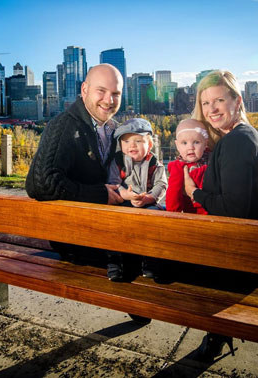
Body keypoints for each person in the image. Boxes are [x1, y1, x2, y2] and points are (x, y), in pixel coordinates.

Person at [183, 70, 258, 362]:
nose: (212, 109)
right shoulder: (244, 137)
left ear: (237, 101)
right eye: (205, 103)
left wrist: (194, 193)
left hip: (245, 259)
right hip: (257, 248)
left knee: (158, 262)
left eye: (219, 100)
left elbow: (233, 210)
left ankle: (215, 329)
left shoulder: (236, 143)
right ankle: (217, 333)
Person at [25, 63, 125, 263]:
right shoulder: (64, 126)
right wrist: (100, 194)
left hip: (109, 232)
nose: (109, 100)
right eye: (101, 91)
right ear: (85, 90)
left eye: (116, 93)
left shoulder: (116, 130)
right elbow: (40, 184)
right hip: (79, 240)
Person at [106, 117, 167, 281]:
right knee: (113, 222)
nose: (132, 145)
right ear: (120, 145)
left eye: (138, 141)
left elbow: (161, 184)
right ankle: (115, 263)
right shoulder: (118, 161)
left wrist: (148, 197)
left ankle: (151, 262)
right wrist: (125, 194)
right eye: (126, 142)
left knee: (155, 221)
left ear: (150, 144)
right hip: (124, 200)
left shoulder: (154, 162)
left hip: (148, 203)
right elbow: (113, 182)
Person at [165, 118, 209, 214]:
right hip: (193, 213)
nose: (190, 147)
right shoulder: (178, 167)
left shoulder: (210, 160)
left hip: (214, 210)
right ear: (177, 145)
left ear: (206, 143)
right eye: (184, 143)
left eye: (196, 142)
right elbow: (173, 192)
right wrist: (173, 212)